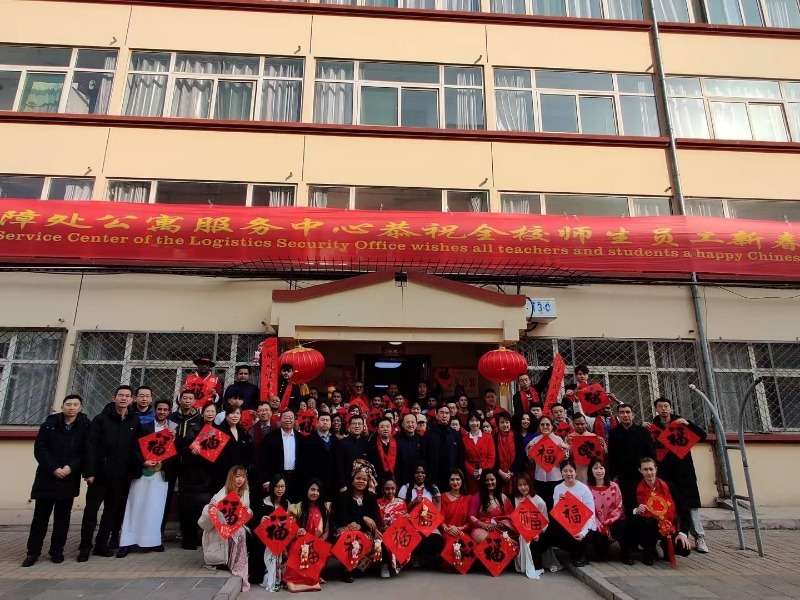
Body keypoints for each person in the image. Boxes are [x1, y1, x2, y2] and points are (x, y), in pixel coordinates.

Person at [23, 394, 91, 567]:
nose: (71, 407)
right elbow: (40, 449)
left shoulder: (85, 427)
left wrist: (71, 467)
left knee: (62, 519)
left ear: (80, 407)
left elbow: (86, 452)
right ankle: (33, 552)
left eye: (75, 405)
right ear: (62, 406)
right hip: (47, 477)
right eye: (68, 404)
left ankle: (56, 551)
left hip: (69, 478)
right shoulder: (49, 425)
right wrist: (53, 468)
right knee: (40, 518)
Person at [78, 385, 141, 562]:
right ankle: (85, 547)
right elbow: (90, 447)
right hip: (100, 475)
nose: (123, 398)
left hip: (121, 476)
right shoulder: (101, 419)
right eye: (120, 395)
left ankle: (101, 545)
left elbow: (136, 447)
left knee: (111, 512)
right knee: (91, 512)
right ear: (114, 398)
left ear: (132, 400)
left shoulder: (134, 421)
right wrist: (89, 472)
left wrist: (137, 468)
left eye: (127, 396)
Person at [648, 397, 709, 553]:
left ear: (670, 408)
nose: (663, 409)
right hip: (665, 471)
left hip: (684, 470)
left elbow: (703, 435)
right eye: (660, 406)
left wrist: (689, 424)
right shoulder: (652, 427)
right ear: (656, 409)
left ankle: (699, 537)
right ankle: (668, 535)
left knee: (690, 503)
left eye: (666, 406)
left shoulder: (681, 423)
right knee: (666, 503)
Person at [117, 399, 177, 557]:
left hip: (161, 474)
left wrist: (175, 439)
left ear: (169, 411)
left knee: (156, 508)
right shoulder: (144, 427)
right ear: (155, 410)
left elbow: (177, 453)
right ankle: (127, 541)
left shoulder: (173, 430)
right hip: (143, 472)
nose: (162, 412)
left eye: (165, 409)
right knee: (135, 505)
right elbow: (134, 449)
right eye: (159, 409)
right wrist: (143, 462)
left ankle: (152, 541)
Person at [629, 457, 692, 565]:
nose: (649, 473)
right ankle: (648, 550)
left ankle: (666, 546)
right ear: (640, 470)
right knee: (641, 521)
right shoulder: (635, 488)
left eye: (651, 469)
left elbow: (684, 511)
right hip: (648, 526)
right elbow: (628, 508)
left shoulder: (668, 486)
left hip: (669, 526)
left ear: (656, 469)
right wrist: (636, 510)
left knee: (683, 548)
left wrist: (683, 533)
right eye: (645, 469)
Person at [200, 465, 252, 591]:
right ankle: (234, 563)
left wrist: (247, 511)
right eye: (237, 476)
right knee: (239, 532)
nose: (240, 480)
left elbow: (246, 514)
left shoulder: (245, 492)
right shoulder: (222, 493)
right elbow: (206, 519)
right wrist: (212, 507)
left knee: (241, 531)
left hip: (235, 526)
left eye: (243, 477)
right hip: (220, 529)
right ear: (231, 477)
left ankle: (238, 562)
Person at [179, 402, 217, 550]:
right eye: (207, 411)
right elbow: (183, 448)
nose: (210, 414)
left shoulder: (218, 430)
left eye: (212, 411)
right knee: (190, 509)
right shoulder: (194, 429)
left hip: (210, 473)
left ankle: (202, 538)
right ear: (202, 413)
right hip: (193, 473)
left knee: (205, 508)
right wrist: (191, 451)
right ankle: (188, 539)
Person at [335, 462, 381, 583]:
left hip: (364, 530)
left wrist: (360, 524)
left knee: (374, 540)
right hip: (348, 529)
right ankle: (347, 570)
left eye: (364, 479)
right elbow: (341, 519)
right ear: (352, 479)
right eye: (358, 478)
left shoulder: (371, 498)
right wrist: (363, 518)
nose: (361, 481)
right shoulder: (344, 496)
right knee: (348, 536)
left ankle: (360, 567)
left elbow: (375, 520)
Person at [608, 403, 656, 515]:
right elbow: (612, 456)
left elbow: (651, 454)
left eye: (628, 412)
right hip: (623, 476)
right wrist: (614, 476)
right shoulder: (613, 433)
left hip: (642, 475)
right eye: (622, 412)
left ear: (633, 415)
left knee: (645, 504)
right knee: (628, 505)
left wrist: (650, 471)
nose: (625, 415)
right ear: (618, 416)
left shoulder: (643, 432)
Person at [284, 479, 331, 592]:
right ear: (307, 490)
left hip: (315, 544)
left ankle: (310, 580)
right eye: (312, 489)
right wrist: (298, 531)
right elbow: (290, 529)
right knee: (298, 550)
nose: (315, 493)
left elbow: (326, 532)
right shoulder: (297, 507)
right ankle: (309, 582)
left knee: (326, 550)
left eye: (318, 490)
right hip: (300, 543)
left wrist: (318, 542)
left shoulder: (324, 509)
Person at [550, 460, 596, 567]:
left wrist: (583, 533)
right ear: (561, 473)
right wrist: (560, 502)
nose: (568, 474)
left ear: (576, 472)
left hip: (583, 525)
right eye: (565, 471)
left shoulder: (584, 489)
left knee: (581, 536)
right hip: (567, 524)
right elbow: (557, 513)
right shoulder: (558, 488)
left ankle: (582, 554)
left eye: (571, 471)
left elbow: (591, 514)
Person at [398, 463, 443, 567]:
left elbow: (438, 511)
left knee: (437, 539)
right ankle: (413, 558)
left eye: (423, 472)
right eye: (417, 472)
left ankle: (425, 558)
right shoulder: (405, 488)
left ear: (426, 474)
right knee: (413, 536)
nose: (420, 475)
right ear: (413, 474)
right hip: (410, 523)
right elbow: (400, 510)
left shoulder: (433, 488)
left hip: (429, 523)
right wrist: (413, 502)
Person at [586, 458, 628, 564]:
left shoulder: (614, 486)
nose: (599, 471)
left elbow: (619, 506)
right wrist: (600, 525)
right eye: (595, 468)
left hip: (613, 522)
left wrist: (608, 522)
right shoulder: (587, 488)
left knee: (623, 527)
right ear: (591, 470)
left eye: (601, 468)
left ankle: (626, 554)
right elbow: (588, 510)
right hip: (596, 525)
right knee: (600, 555)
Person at [527, 416, 570, 512]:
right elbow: (531, 461)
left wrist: (565, 449)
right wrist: (529, 451)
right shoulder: (535, 440)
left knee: (555, 504)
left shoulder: (558, 439)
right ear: (539, 427)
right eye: (542, 425)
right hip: (539, 477)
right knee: (542, 504)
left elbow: (563, 460)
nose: (545, 427)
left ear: (552, 426)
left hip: (555, 477)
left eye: (547, 424)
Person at [262, 409, 303, 503]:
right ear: (280, 420)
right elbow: (264, 461)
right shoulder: (270, 437)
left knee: (293, 505)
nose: (288, 420)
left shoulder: (301, 438)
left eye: (290, 418)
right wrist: (266, 480)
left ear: (294, 420)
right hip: (276, 478)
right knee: (277, 505)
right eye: (285, 417)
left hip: (295, 478)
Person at [513, 473, 548, 579]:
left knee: (531, 541)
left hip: (538, 532)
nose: (523, 488)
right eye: (519, 485)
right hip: (523, 530)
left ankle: (536, 566)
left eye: (525, 484)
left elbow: (545, 522)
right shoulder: (517, 499)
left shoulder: (539, 501)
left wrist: (537, 533)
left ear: (530, 484)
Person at [423, 405, 464, 492]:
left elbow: (460, 457)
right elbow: (424, 455)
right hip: (434, 475)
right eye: (442, 413)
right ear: (437, 415)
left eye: (447, 413)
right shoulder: (429, 434)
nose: (444, 415)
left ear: (450, 416)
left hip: (451, 477)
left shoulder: (455, 434)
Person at [261, 473, 291, 592]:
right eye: (277, 486)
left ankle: (277, 579)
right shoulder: (264, 502)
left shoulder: (287, 503)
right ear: (272, 487)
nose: (280, 489)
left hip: (281, 540)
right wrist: (262, 521)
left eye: (282, 486)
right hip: (266, 540)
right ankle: (270, 579)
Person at [298, 411, 338, 502]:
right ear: (317, 423)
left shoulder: (336, 440)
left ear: (330, 423)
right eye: (322, 420)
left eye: (327, 420)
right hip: (315, 482)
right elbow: (304, 464)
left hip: (332, 482)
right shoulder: (308, 440)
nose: (325, 422)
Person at [468, 469, 515, 544]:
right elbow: (471, 517)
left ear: (496, 480)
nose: (489, 482)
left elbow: (511, 516)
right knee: (477, 534)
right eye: (487, 480)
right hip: (484, 530)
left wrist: (500, 524)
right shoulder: (477, 497)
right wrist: (484, 525)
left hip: (502, 530)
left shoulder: (503, 497)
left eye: (492, 479)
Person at [212, 407, 251, 494]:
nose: (235, 416)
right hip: (223, 473)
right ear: (226, 415)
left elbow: (246, 452)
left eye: (237, 413)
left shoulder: (242, 431)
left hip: (239, 474)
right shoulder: (219, 431)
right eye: (232, 413)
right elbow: (217, 455)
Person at [377, 477, 408, 578]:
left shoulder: (401, 502)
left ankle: (396, 563)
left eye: (392, 488)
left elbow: (404, 521)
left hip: (397, 531)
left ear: (396, 489)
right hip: (382, 531)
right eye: (387, 489)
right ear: (382, 490)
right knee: (382, 539)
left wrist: (406, 519)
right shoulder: (377, 503)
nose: (390, 491)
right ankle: (384, 565)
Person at [565, 413, 607, 483]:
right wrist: (568, 445)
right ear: (573, 424)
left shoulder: (595, 437)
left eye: (582, 424)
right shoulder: (569, 438)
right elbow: (567, 456)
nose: (580, 426)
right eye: (577, 424)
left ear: (586, 424)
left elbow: (604, 455)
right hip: (577, 469)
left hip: (592, 468)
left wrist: (602, 447)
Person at [439, 468, 471, 560]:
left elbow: (470, 521)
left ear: (462, 481)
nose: (455, 482)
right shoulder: (443, 497)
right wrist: (447, 529)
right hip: (447, 532)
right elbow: (440, 518)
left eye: (458, 479)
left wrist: (459, 528)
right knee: (450, 544)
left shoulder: (468, 498)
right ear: (449, 482)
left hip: (462, 531)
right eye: (452, 480)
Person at [335, 415, 371, 492]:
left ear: (363, 426)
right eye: (354, 423)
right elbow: (339, 466)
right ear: (349, 426)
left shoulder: (366, 443)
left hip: (363, 483)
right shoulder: (343, 443)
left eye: (359, 424)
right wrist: (342, 484)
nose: (357, 426)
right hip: (347, 483)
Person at [463, 412, 496, 494]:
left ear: (480, 422)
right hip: (471, 475)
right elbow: (463, 458)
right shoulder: (464, 439)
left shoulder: (488, 437)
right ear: (468, 423)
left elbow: (491, 457)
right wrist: (472, 471)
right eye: (472, 421)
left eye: (477, 420)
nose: (474, 423)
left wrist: (483, 471)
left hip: (486, 473)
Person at [494, 411, 524, 496]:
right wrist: (501, 473)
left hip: (516, 475)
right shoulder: (494, 438)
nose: (505, 425)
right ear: (498, 424)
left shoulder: (517, 436)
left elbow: (521, 456)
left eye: (507, 422)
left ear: (510, 423)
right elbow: (493, 458)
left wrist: (511, 472)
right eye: (502, 422)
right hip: (500, 475)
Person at [395, 413, 423, 487]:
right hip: (401, 478)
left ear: (416, 424)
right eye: (407, 422)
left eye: (412, 422)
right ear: (403, 424)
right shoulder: (395, 440)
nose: (410, 425)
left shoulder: (421, 439)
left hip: (418, 478)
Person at [371, 418, 399, 483]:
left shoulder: (398, 443)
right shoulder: (372, 444)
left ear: (391, 428)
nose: (385, 429)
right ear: (378, 430)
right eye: (382, 427)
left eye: (388, 426)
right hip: (379, 480)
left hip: (396, 479)